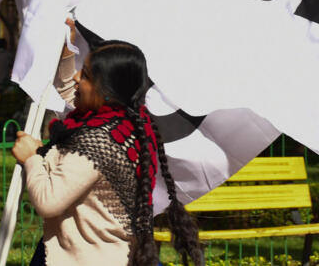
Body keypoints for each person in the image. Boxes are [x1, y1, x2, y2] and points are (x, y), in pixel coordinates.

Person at [12, 24, 203, 266]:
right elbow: (72, 92)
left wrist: (32, 158)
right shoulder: (127, 122)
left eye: (87, 75)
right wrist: (67, 49)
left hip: (83, 257)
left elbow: (48, 201)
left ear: (108, 92)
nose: (77, 78)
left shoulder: (97, 143)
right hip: (112, 252)